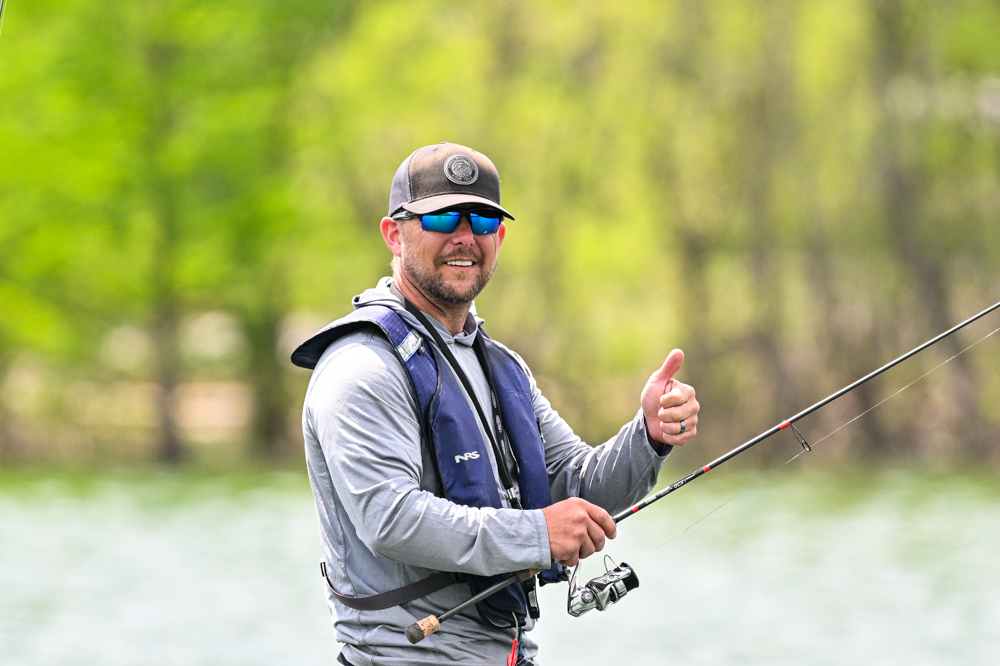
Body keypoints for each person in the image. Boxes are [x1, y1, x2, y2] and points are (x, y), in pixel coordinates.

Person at [291, 142, 700, 666]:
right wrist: (538, 533)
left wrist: (649, 435)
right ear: (393, 234)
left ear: (499, 238)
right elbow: (390, 519)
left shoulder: (502, 367)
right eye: (442, 218)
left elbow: (577, 488)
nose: (465, 237)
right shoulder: (361, 367)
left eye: (483, 221)